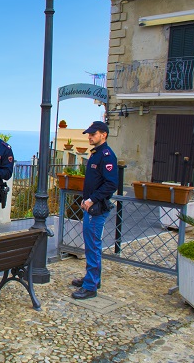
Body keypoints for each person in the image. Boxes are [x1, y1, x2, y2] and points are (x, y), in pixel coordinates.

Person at [71, 121, 118, 300]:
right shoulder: (96, 154)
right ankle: (92, 279)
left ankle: (90, 286)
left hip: (96, 208)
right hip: (90, 206)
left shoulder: (106, 155)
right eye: (89, 134)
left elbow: (111, 183)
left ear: (103, 135)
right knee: (91, 245)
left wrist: (92, 199)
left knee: (93, 246)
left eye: (93, 134)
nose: (90, 136)